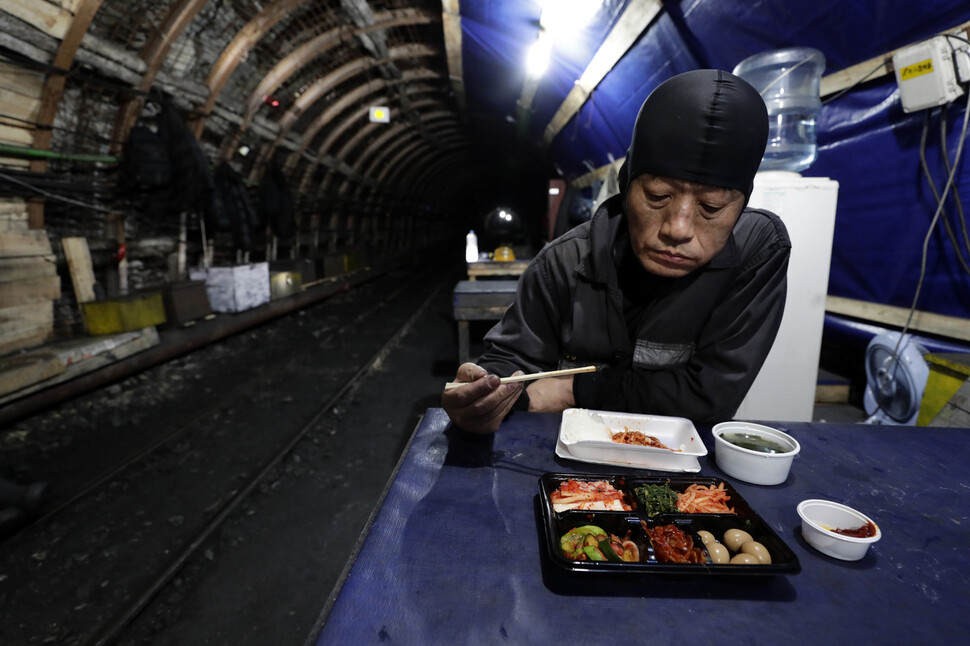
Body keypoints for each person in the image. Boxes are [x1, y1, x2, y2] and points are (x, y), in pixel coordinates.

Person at [442, 69, 791, 434]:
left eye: (712, 207)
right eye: (658, 196)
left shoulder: (757, 253)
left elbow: (711, 397)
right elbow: (510, 362)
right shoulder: (561, 262)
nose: (678, 229)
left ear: (741, 205)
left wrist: (574, 390)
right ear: (626, 186)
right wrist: (485, 391)